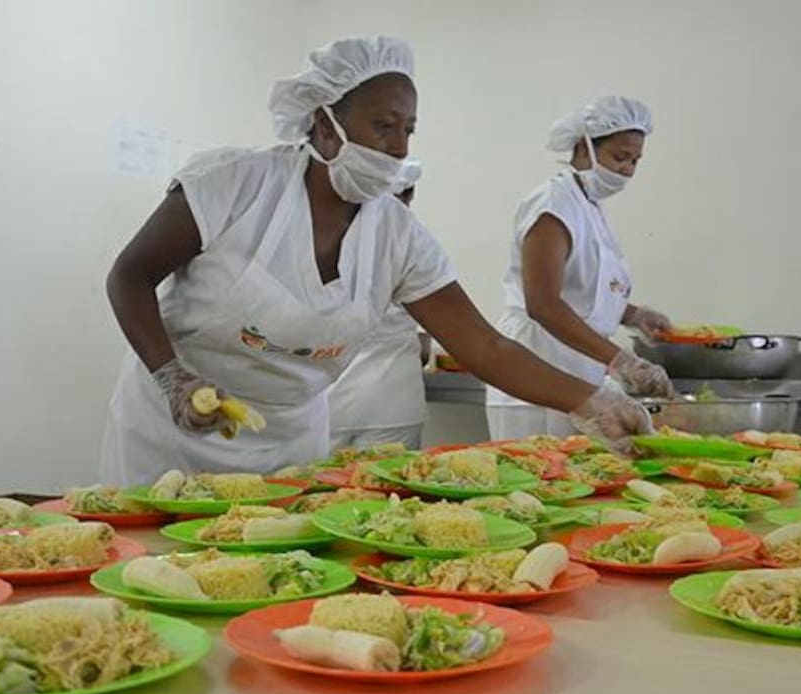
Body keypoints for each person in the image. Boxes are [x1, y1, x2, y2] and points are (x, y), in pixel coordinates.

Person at [99, 36, 650, 485]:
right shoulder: (234, 185)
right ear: (323, 124)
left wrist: (591, 399)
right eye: (383, 126)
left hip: (288, 442)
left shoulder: (398, 234)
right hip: (174, 433)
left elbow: (484, 346)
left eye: (408, 129)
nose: (399, 148)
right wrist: (172, 377)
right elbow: (130, 274)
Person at [485, 94, 676, 441]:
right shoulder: (554, 203)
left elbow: (583, 290)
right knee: (542, 476)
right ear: (585, 148)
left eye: (635, 161)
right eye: (620, 157)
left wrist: (632, 315)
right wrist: (623, 361)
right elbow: (542, 304)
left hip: (577, 365)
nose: (628, 170)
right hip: (537, 366)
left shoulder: (587, 205)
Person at [325, 158, 429, 451]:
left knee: (325, 490)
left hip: (334, 402)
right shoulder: (414, 244)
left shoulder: (332, 241)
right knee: (387, 492)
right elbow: (425, 346)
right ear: (408, 196)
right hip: (393, 402)